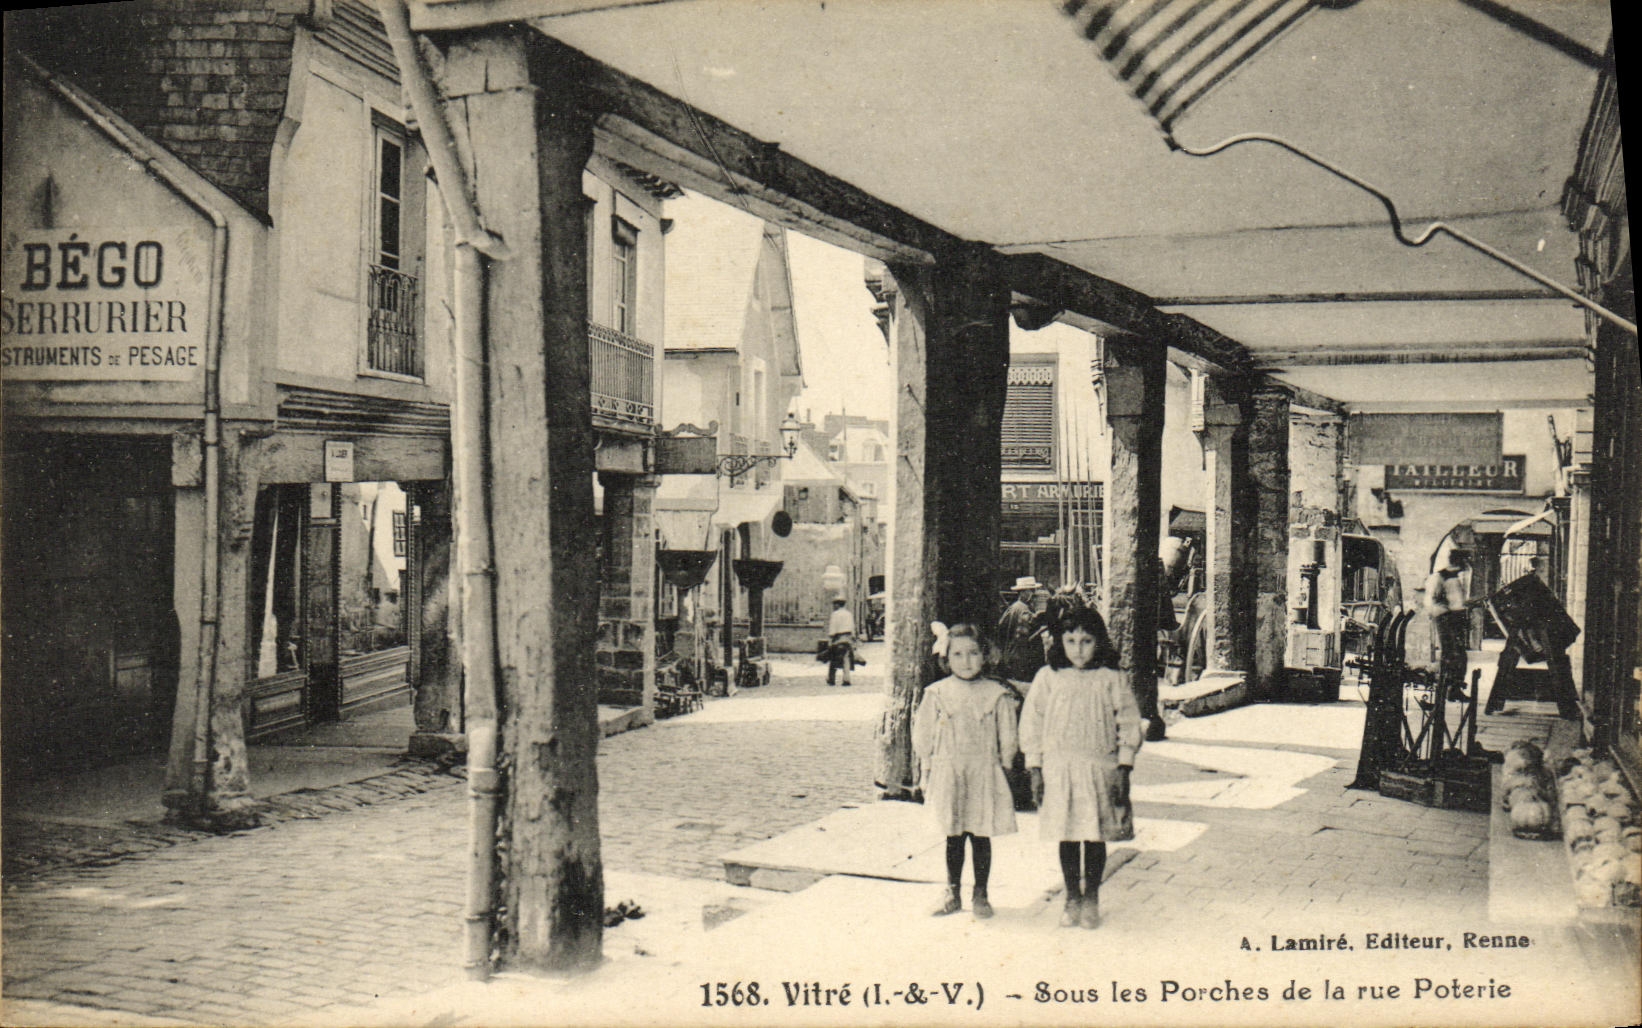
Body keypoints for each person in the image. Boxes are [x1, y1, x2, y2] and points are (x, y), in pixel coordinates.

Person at [1019, 605, 1143, 930]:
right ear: (1060, 642)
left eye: (1086, 641)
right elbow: (1031, 725)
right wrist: (1035, 767)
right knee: (1068, 835)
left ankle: (1093, 897)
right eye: (1070, 640)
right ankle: (1072, 894)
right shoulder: (1048, 678)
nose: (1078, 649)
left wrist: (1123, 767)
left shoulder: (1112, 679)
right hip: (1060, 769)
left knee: (1095, 835)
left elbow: (1128, 724)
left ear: (1098, 642)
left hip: (1099, 768)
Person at [912, 623, 1019, 919]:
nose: (966, 661)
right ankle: (952, 891)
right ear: (946, 658)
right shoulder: (937, 693)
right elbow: (924, 736)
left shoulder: (996, 695)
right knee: (953, 833)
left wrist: (1007, 768)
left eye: (973, 653)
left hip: (983, 771)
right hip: (950, 771)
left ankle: (981, 892)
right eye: (958, 654)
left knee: (981, 833)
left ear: (985, 656)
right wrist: (926, 770)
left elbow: (1007, 736)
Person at [1423, 549, 1472, 700]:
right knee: (1454, 654)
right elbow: (1435, 601)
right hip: (1448, 619)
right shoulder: (1444, 577)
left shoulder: (1450, 577)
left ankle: (1450, 688)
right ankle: (1449, 689)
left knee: (1454, 655)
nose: (1467, 565)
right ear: (1459, 562)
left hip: (1451, 618)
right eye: (1465, 562)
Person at [998, 576, 1044, 686]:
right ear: (1022, 592)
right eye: (1031, 591)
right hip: (1022, 659)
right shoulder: (1024, 610)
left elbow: (1001, 625)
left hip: (1011, 655)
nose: (1033, 594)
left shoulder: (1014, 607)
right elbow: (1025, 634)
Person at [826, 595, 855, 687]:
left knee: (833, 658)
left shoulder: (835, 614)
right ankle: (846, 679)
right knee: (846, 658)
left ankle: (831, 679)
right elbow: (852, 627)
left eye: (835, 604)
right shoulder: (849, 614)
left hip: (838, 638)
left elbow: (833, 629)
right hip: (847, 638)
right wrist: (852, 638)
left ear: (838, 605)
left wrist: (830, 638)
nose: (834, 606)